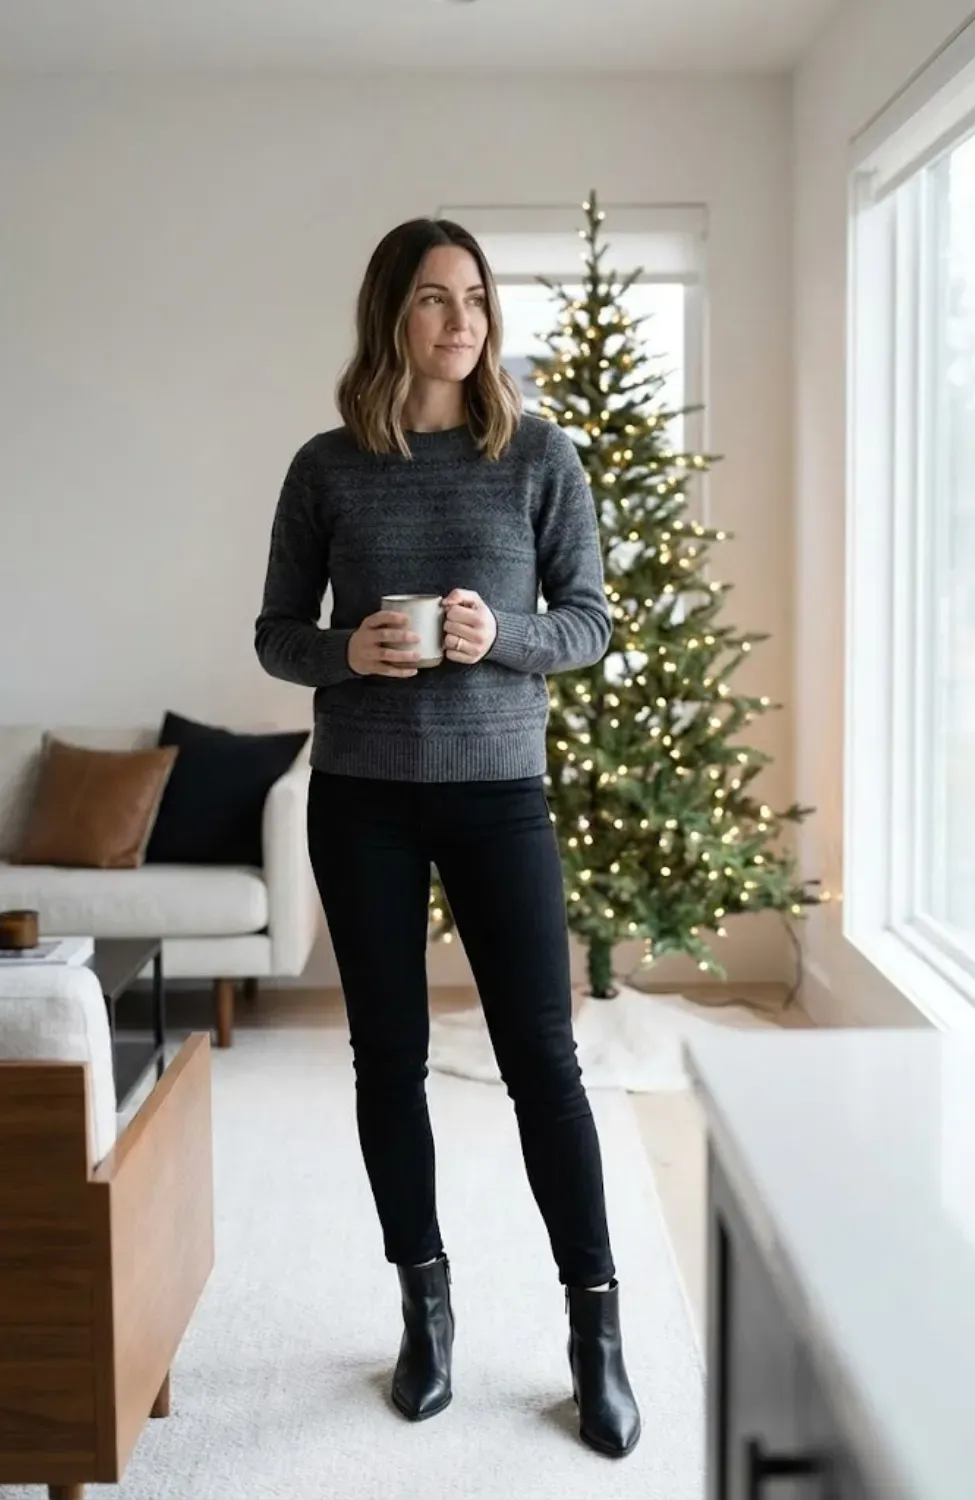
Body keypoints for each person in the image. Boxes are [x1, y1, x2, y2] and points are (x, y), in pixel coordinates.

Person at [255, 216, 641, 1459]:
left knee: (543, 1061)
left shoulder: (539, 456)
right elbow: (275, 633)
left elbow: (589, 624)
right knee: (388, 1059)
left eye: (473, 296)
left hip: (495, 794)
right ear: (393, 318)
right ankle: (425, 1309)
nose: (461, 318)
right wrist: (343, 652)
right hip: (361, 793)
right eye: (433, 297)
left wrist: (504, 637)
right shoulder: (326, 466)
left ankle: (597, 1335)